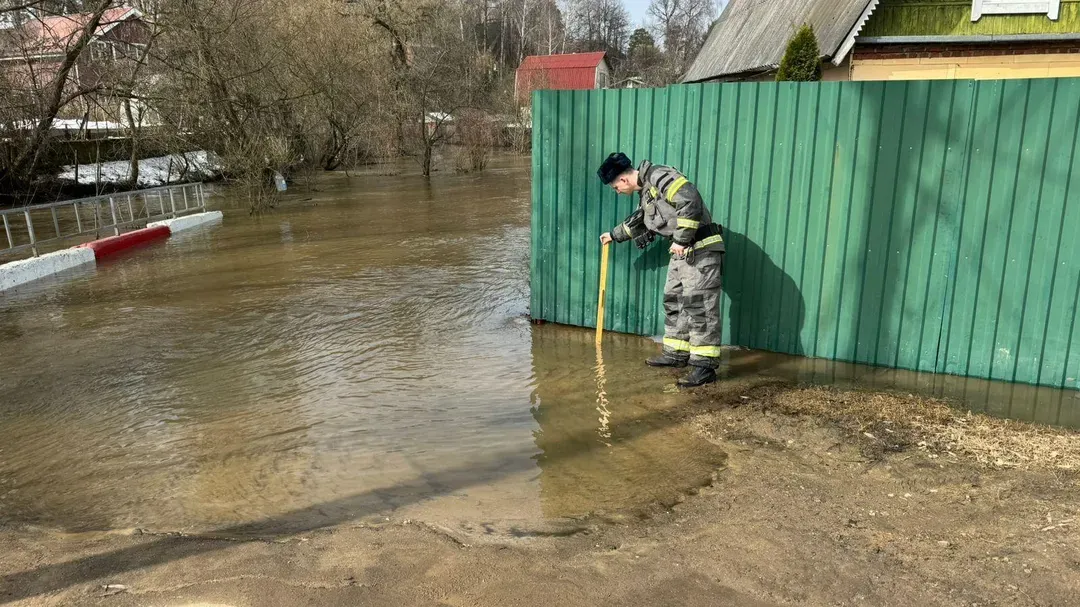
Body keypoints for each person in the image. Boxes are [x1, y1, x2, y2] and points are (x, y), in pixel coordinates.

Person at [597, 152, 725, 387]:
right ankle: (676, 354)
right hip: (682, 253)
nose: (617, 192)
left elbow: (690, 200)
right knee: (673, 301)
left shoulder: (659, 175)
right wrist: (613, 235)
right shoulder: (647, 192)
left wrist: (682, 239)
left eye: (616, 187)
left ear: (624, 180)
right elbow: (641, 220)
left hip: (700, 249)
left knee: (700, 306)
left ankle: (704, 367)